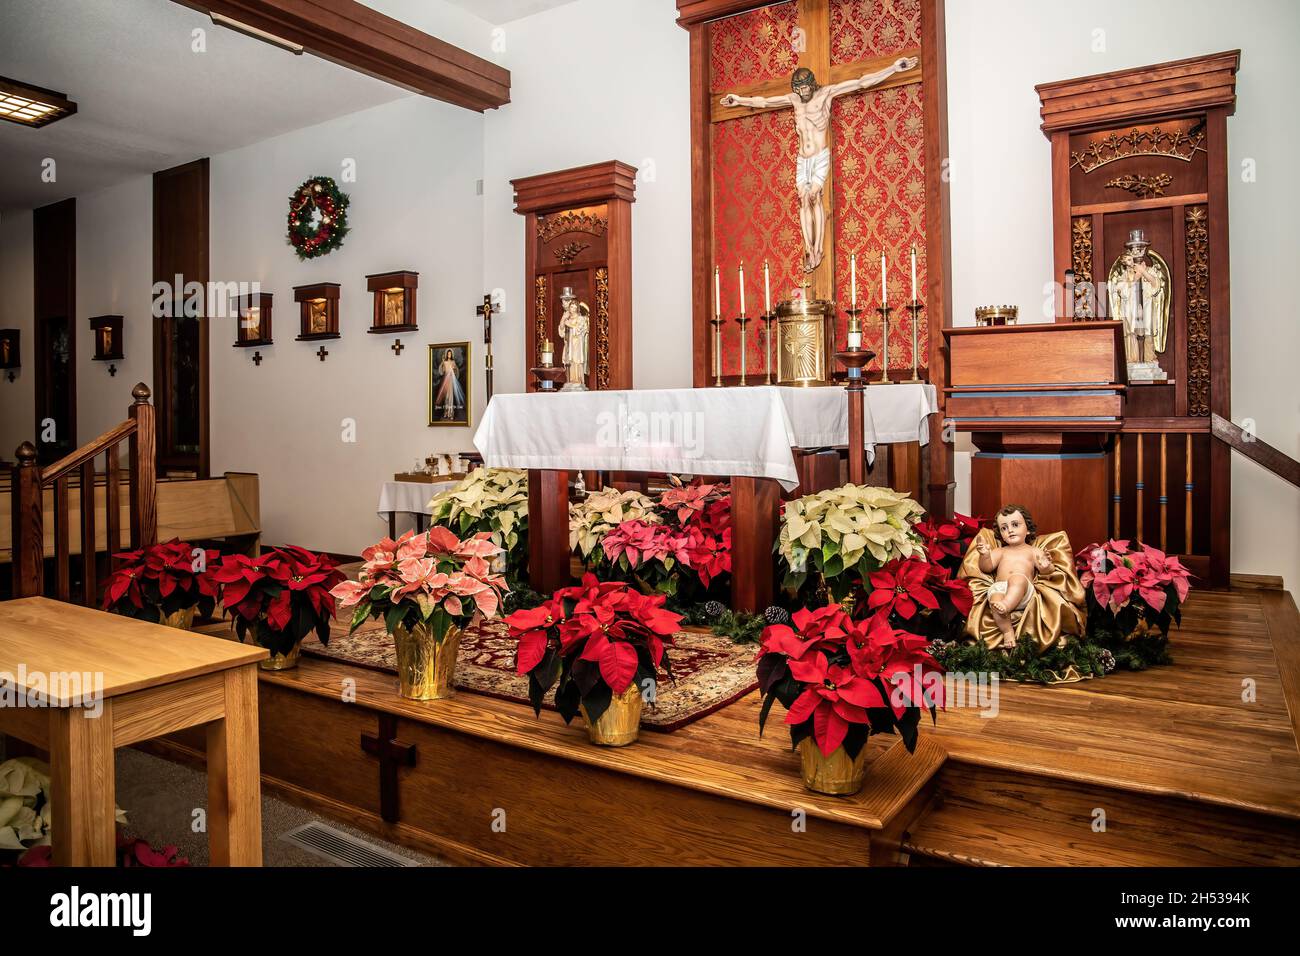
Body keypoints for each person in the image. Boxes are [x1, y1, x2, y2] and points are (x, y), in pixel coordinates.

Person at [720, 57, 916, 272]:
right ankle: (809, 249)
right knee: (803, 199)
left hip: (820, 155)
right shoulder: (794, 100)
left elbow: (861, 82)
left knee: (814, 195)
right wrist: (738, 100)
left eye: (804, 87)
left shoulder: (826, 94)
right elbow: (765, 101)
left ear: (812, 84)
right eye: (798, 88)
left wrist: (893, 68)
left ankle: (819, 248)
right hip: (802, 158)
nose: (802, 91)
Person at [974, 504, 1052, 649]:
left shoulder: (1033, 551)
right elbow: (986, 567)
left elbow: (1046, 571)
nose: (1009, 530)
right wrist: (984, 555)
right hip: (1001, 587)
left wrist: (1046, 566)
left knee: (1017, 578)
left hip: (1022, 591)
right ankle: (1007, 631)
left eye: (1015, 525)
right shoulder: (1000, 551)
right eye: (1004, 528)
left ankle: (1007, 605)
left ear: (1028, 529)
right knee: (995, 598)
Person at [434, 348, 464, 421]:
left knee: (450, 397)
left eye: (450, 354)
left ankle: (451, 413)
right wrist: (442, 363)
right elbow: (441, 371)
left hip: (451, 380)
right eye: (448, 353)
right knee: (446, 397)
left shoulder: (453, 362)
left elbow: (456, 372)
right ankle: (446, 413)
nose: (449, 355)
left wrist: (454, 369)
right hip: (445, 380)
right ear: (447, 354)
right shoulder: (444, 362)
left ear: (452, 354)